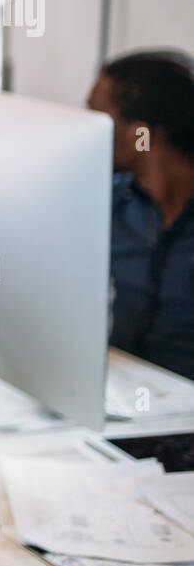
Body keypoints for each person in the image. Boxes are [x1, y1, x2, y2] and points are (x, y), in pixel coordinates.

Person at [86, 49, 194, 381]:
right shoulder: (108, 206)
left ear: (140, 134)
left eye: (97, 118)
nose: (85, 132)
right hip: (119, 403)